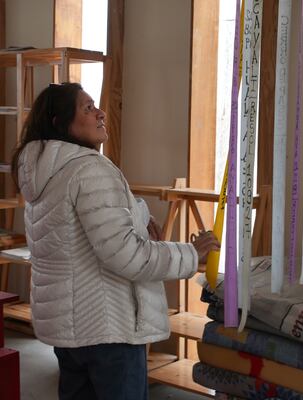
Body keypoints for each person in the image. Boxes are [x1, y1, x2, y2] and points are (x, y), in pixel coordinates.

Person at [11, 82, 220, 400]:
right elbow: (129, 257)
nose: (100, 113)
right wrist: (191, 253)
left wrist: (138, 216)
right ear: (60, 123)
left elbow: (77, 233)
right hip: (109, 329)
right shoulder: (88, 169)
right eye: (87, 108)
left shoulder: (44, 171)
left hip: (70, 330)